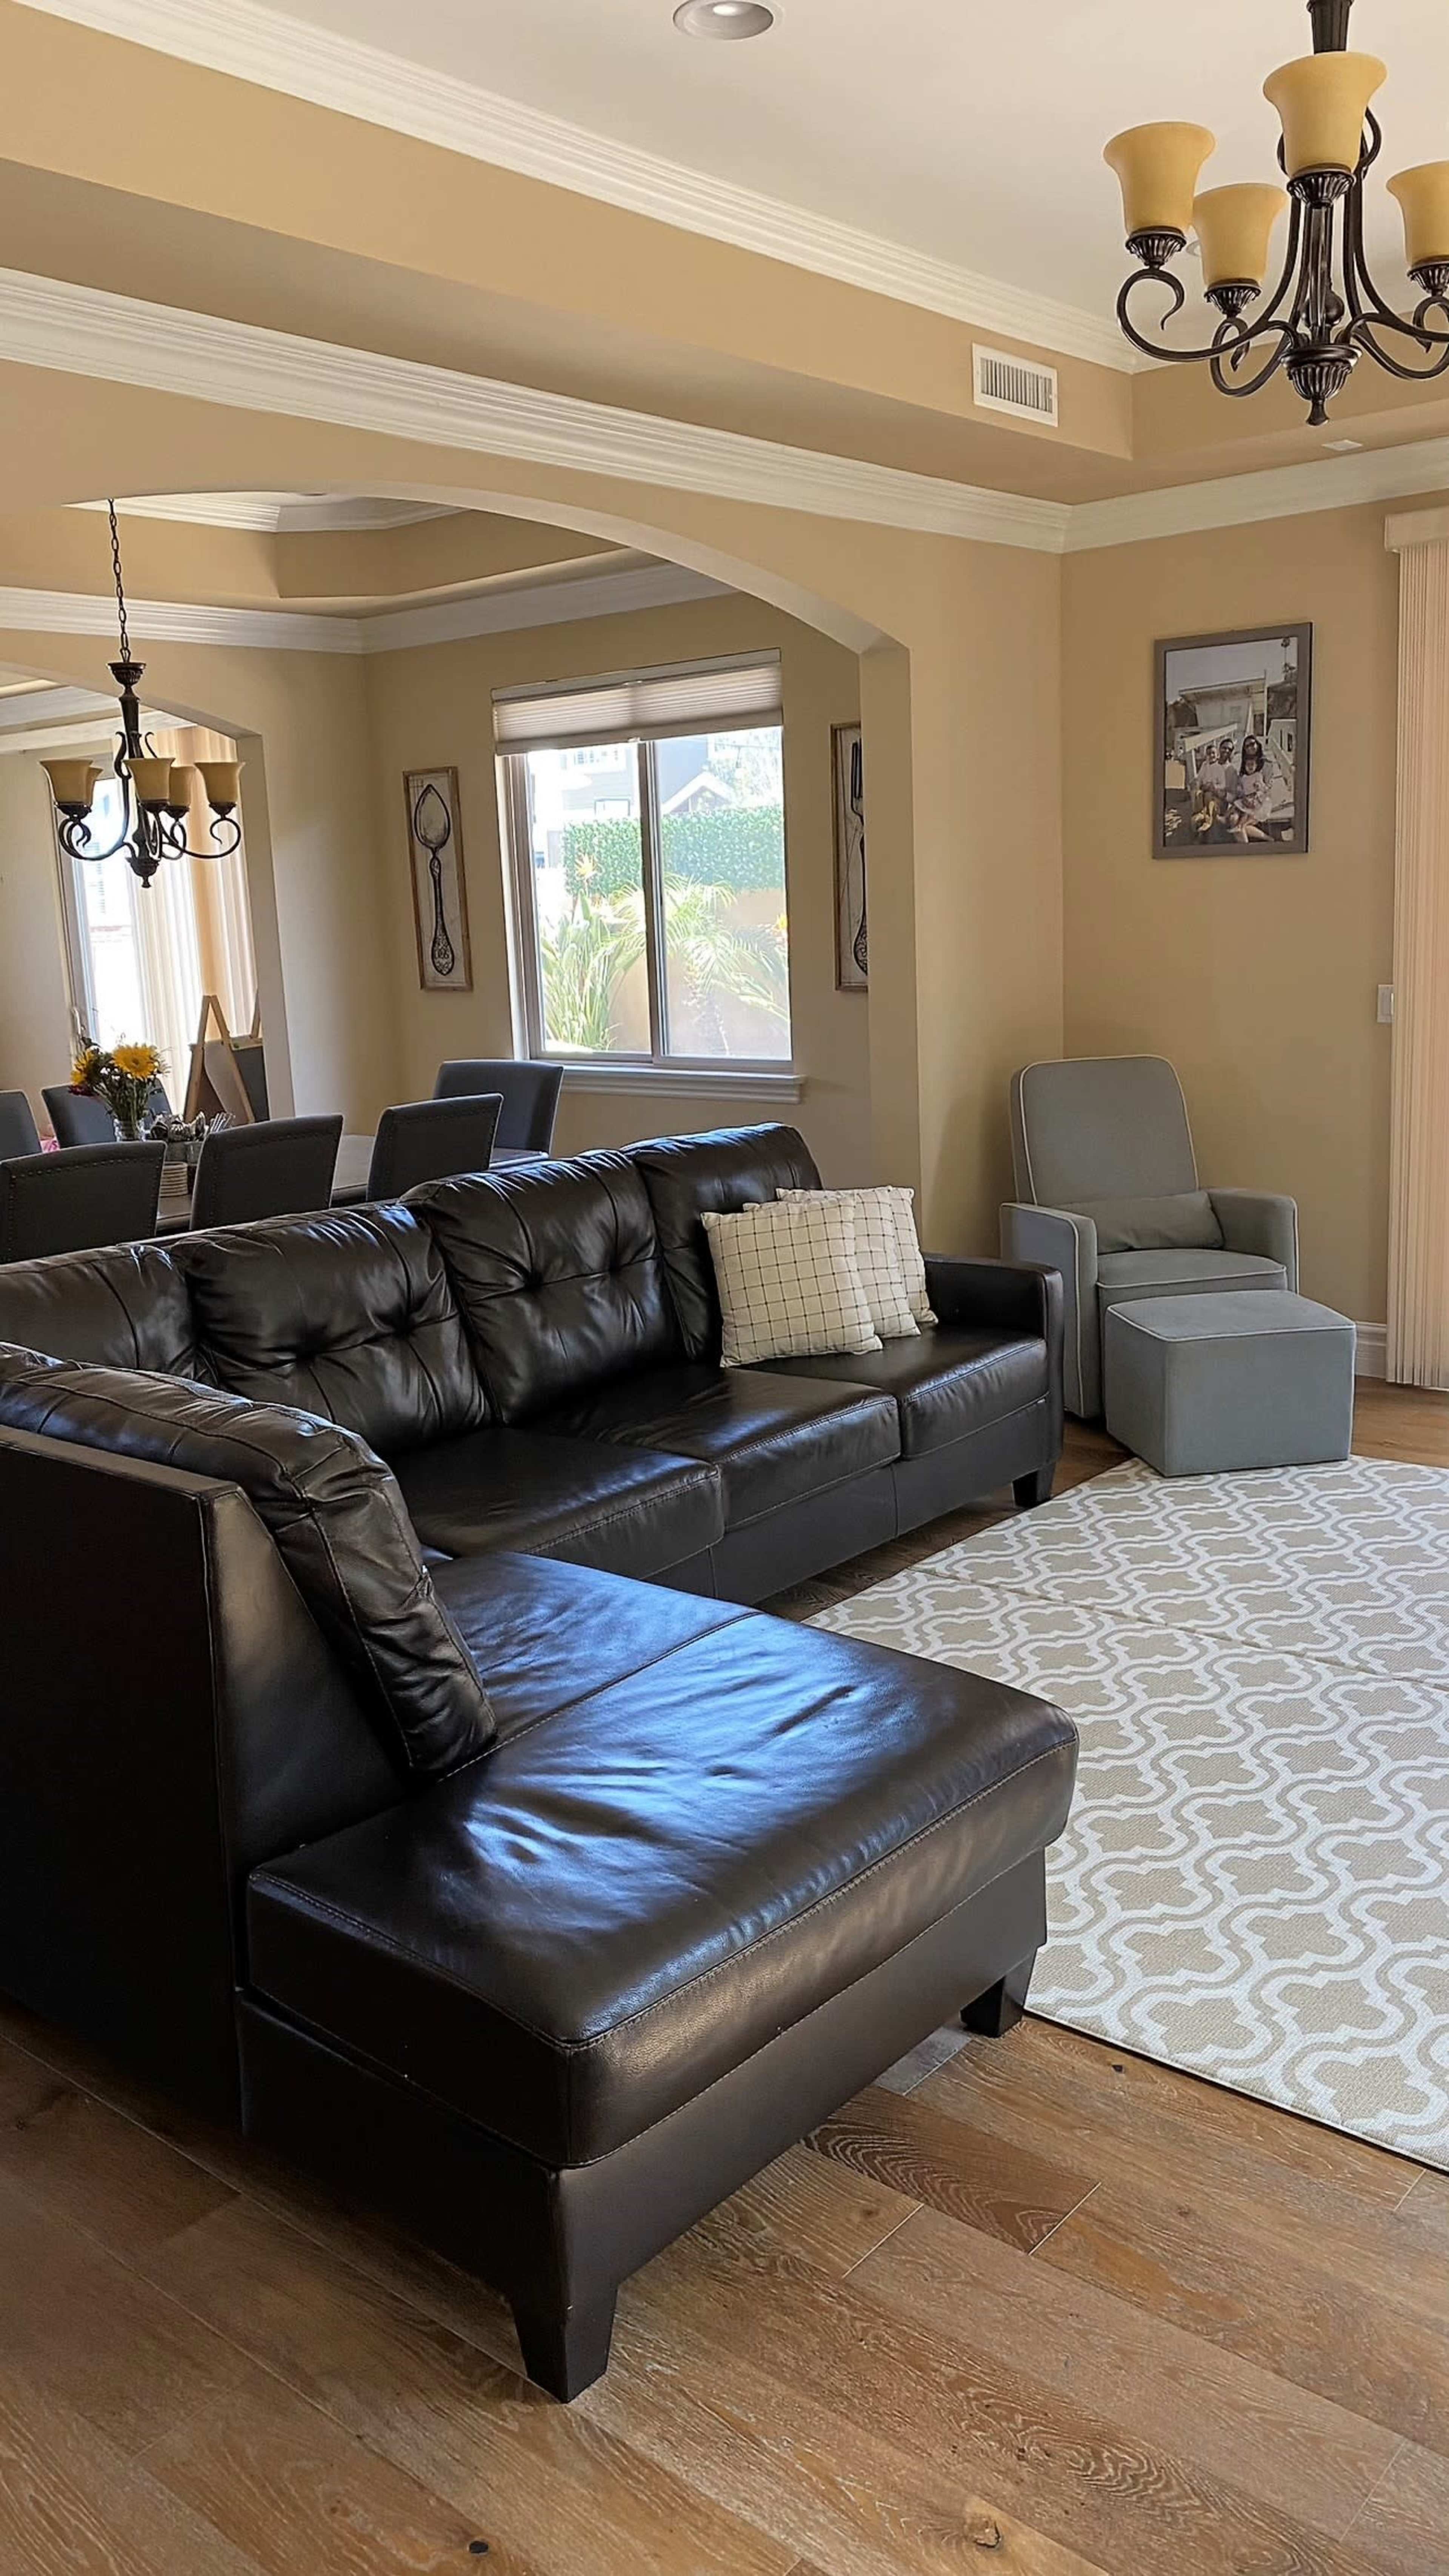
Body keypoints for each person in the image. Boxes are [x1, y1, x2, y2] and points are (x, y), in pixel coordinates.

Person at [1229, 735, 1279, 843]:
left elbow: (1269, 787)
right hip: (1245, 800)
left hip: (1261, 802)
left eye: (1252, 744)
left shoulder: (1267, 764)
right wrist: (1244, 797)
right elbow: (1241, 785)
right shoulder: (1245, 764)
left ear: (1258, 745)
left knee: (1240, 826)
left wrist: (1256, 797)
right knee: (1233, 819)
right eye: (1247, 746)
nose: (1250, 747)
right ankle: (1268, 839)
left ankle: (1247, 850)